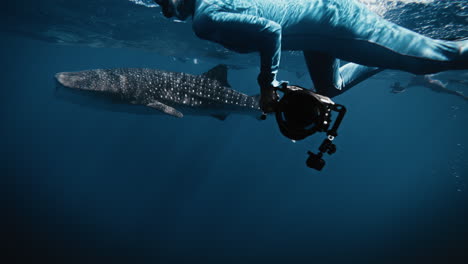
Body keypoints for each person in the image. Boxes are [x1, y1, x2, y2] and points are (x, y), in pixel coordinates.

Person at [153, 0, 468, 112]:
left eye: (163, 0)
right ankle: (383, 57)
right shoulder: (208, 8)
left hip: (335, 24)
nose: (165, 11)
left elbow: (271, 31)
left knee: (439, 58)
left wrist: (266, 85)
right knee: (329, 89)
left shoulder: (204, 19)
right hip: (323, 29)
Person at [391, 75, 468, 100]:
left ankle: (454, 83)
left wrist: (397, 89)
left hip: (434, 84)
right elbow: (404, 88)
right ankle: (452, 82)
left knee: (448, 91)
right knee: (445, 89)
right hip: (434, 85)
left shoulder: (414, 82)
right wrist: (397, 89)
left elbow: (404, 88)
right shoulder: (414, 82)